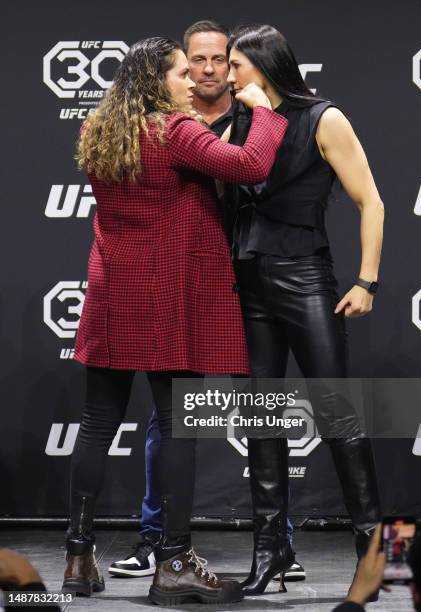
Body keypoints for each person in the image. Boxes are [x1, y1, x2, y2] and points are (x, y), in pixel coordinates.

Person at [63, 35, 288, 606]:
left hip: (114, 290)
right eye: (182, 73)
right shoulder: (177, 132)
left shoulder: (100, 132)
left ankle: (77, 557)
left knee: (95, 423)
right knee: (178, 424)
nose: (194, 82)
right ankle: (174, 563)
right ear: (156, 81)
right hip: (169, 296)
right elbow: (251, 163)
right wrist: (262, 110)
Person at [109, 19, 306, 585]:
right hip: (191, 279)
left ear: (235, 64)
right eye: (196, 60)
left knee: (264, 406)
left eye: (222, 59)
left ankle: (277, 543)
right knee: (169, 416)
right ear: (183, 67)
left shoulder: (255, 115)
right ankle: (156, 541)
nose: (210, 69)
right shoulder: (169, 125)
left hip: (253, 270)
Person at [223, 25, 384, 596]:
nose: (227, 74)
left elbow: (372, 201)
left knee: (337, 413)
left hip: (305, 278)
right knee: (262, 418)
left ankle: (371, 550)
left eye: (236, 64)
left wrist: (366, 280)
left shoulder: (324, 118)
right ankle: (271, 550)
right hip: (250, 282)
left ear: (264, 65)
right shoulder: (240, 117)